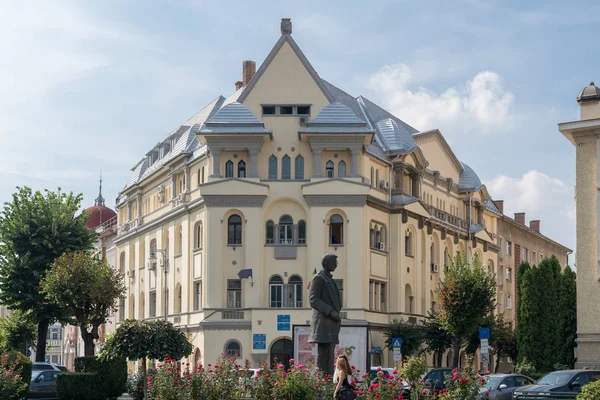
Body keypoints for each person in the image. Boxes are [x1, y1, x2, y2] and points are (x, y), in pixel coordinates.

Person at [309, 253, 342, 377]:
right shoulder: (319, 278)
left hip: (331, 323)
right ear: (327, 263)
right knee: (323, 354)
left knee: (330, 353)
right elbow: (313, 299)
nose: (336, 265)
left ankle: (328, 380)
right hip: (324, 322)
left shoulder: (329, 279)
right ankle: (321, 382)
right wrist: (330, 311)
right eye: (335, 262)